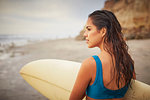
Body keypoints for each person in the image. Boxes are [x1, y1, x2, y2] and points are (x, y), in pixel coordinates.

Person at [69, 10, 136, 100]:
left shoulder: (90, 64)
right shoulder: (128, 62)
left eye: (89, 29)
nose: (85, 34)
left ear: (103, 31)